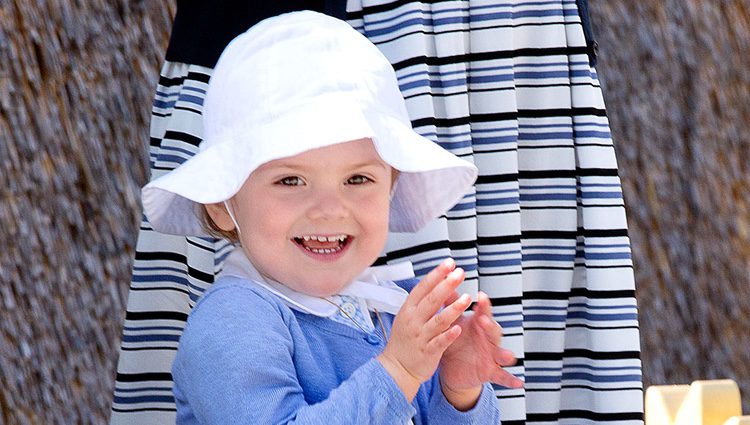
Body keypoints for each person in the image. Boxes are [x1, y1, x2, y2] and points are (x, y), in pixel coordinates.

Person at [111, 1, 643, 423]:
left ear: (392, 185)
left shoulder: (391, 308)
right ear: (222, 203)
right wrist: (398, 370)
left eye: (358, 178)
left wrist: (457, 393)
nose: (328, 208)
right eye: (290, 180)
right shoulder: (233, 323)